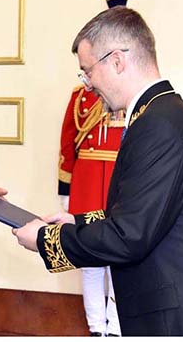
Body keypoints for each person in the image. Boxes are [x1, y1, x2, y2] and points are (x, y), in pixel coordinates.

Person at [13, 6, 183, 336]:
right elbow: (149, 213)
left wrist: (45, 240)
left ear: (117, 61)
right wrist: (78, 221)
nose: (88, 85)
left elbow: (129, 236)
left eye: (88, 71)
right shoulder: (168, 116)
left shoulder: (158, 127)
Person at [58, 84, 123, 337]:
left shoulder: (131, 93)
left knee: (120, 261)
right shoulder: (81, 96)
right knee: (90, 262)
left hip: (120, 183)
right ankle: (96, 328)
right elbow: (67, 143)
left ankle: (117, 327)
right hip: (87, 184)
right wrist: (66, 189)